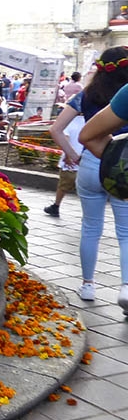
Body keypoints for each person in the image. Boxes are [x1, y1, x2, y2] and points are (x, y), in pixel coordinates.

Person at [70, 47, 128, 308]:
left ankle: (88, 285)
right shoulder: (123, 92)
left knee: (91, 227)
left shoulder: (87, 95)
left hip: (96, 162)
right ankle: (126, 287)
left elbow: (58, 128)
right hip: (120, 166)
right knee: (125, 233)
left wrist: (71, 153)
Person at [44, 110, 84, 217]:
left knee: (63, 185)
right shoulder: (91, 121)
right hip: (86, 159)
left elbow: (65, 138)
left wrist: (67, 156)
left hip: (71, 161)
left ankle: (56, 206)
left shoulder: (69, 122)